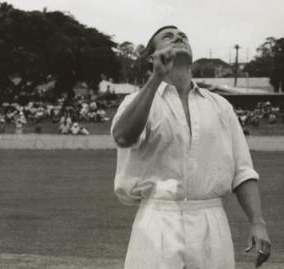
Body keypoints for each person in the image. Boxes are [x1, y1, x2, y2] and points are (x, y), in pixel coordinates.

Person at [111, 25, 271, 269]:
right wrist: (156, 79)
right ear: (151, 59)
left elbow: (242, 171)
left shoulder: (220, 106)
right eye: (168, 36)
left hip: (211, 220)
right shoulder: (135, 101)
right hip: (157, 218)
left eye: (182, 36)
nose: (178, 37)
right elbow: (123, 137)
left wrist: (257, 222)